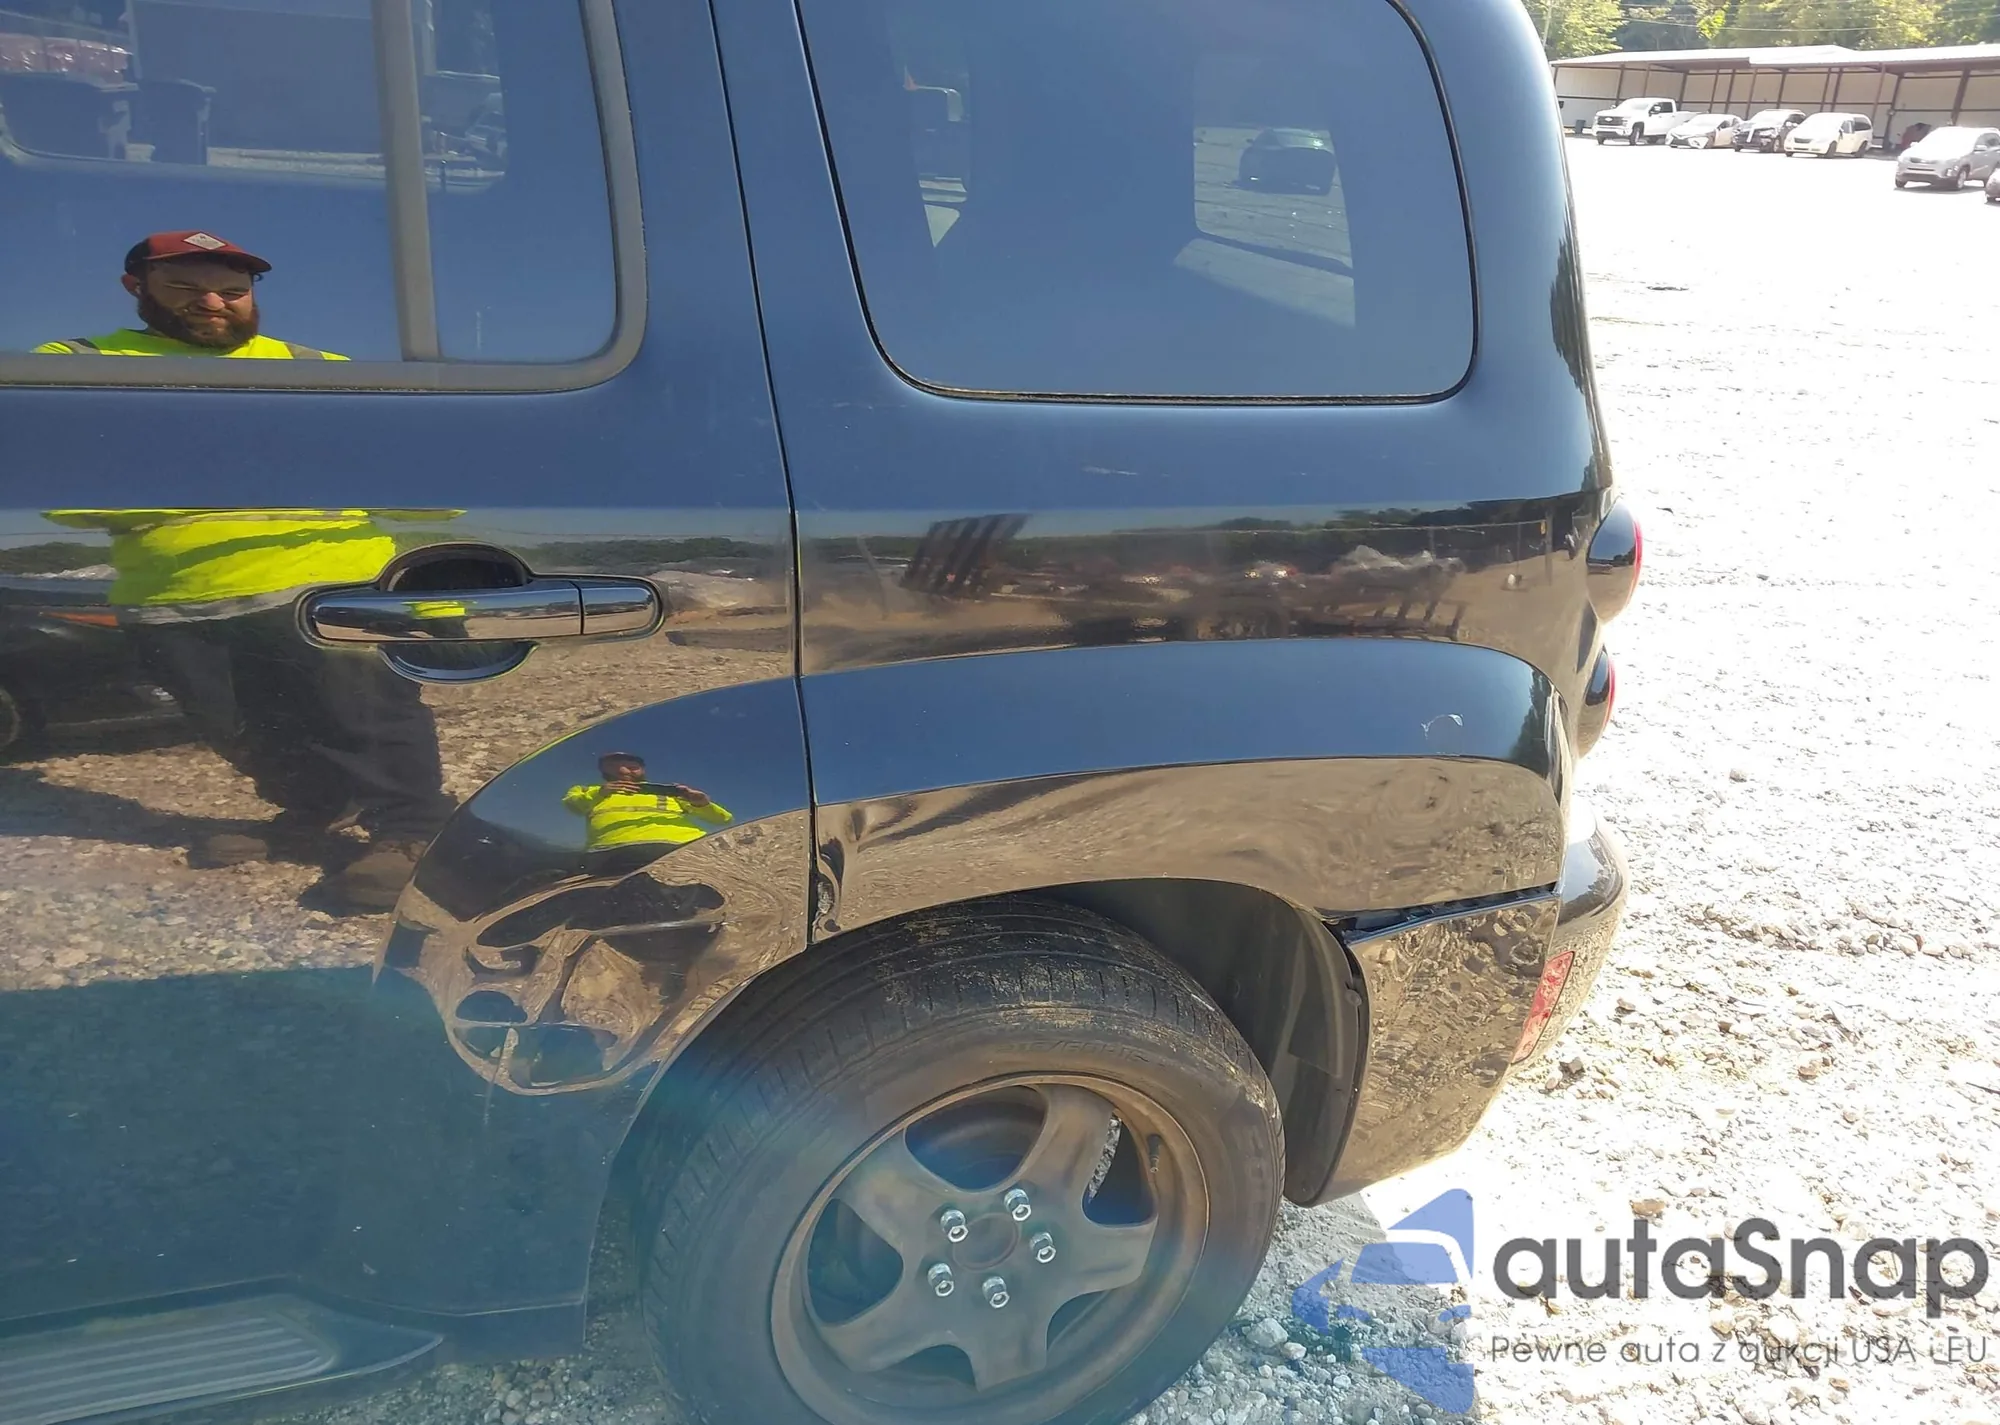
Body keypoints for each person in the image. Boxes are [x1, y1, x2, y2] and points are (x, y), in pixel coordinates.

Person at [42, 507, 460, 913]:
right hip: (164, 597)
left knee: (364, 712)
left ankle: (413, 830)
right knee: (238, 727)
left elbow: (428, 495)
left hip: (321, 575)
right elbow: (66, 502)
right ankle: (319, 807)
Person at [34, 231, 347, 359]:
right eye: (185, 288)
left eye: (233, 291)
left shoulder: (322, 368)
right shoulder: (72, 360)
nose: (212, 303)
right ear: (136, 287)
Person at [563, 754, 732, 864]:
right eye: (615, 766)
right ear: (603, 771)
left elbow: (723, 820)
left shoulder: (669, 793)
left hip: (683, 846)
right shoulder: (586, 790)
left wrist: (702, 803)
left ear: (643, 770)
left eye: (632, 767)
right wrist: (600, 793)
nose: (623, 770)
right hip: (612, 851)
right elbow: (574, 806)